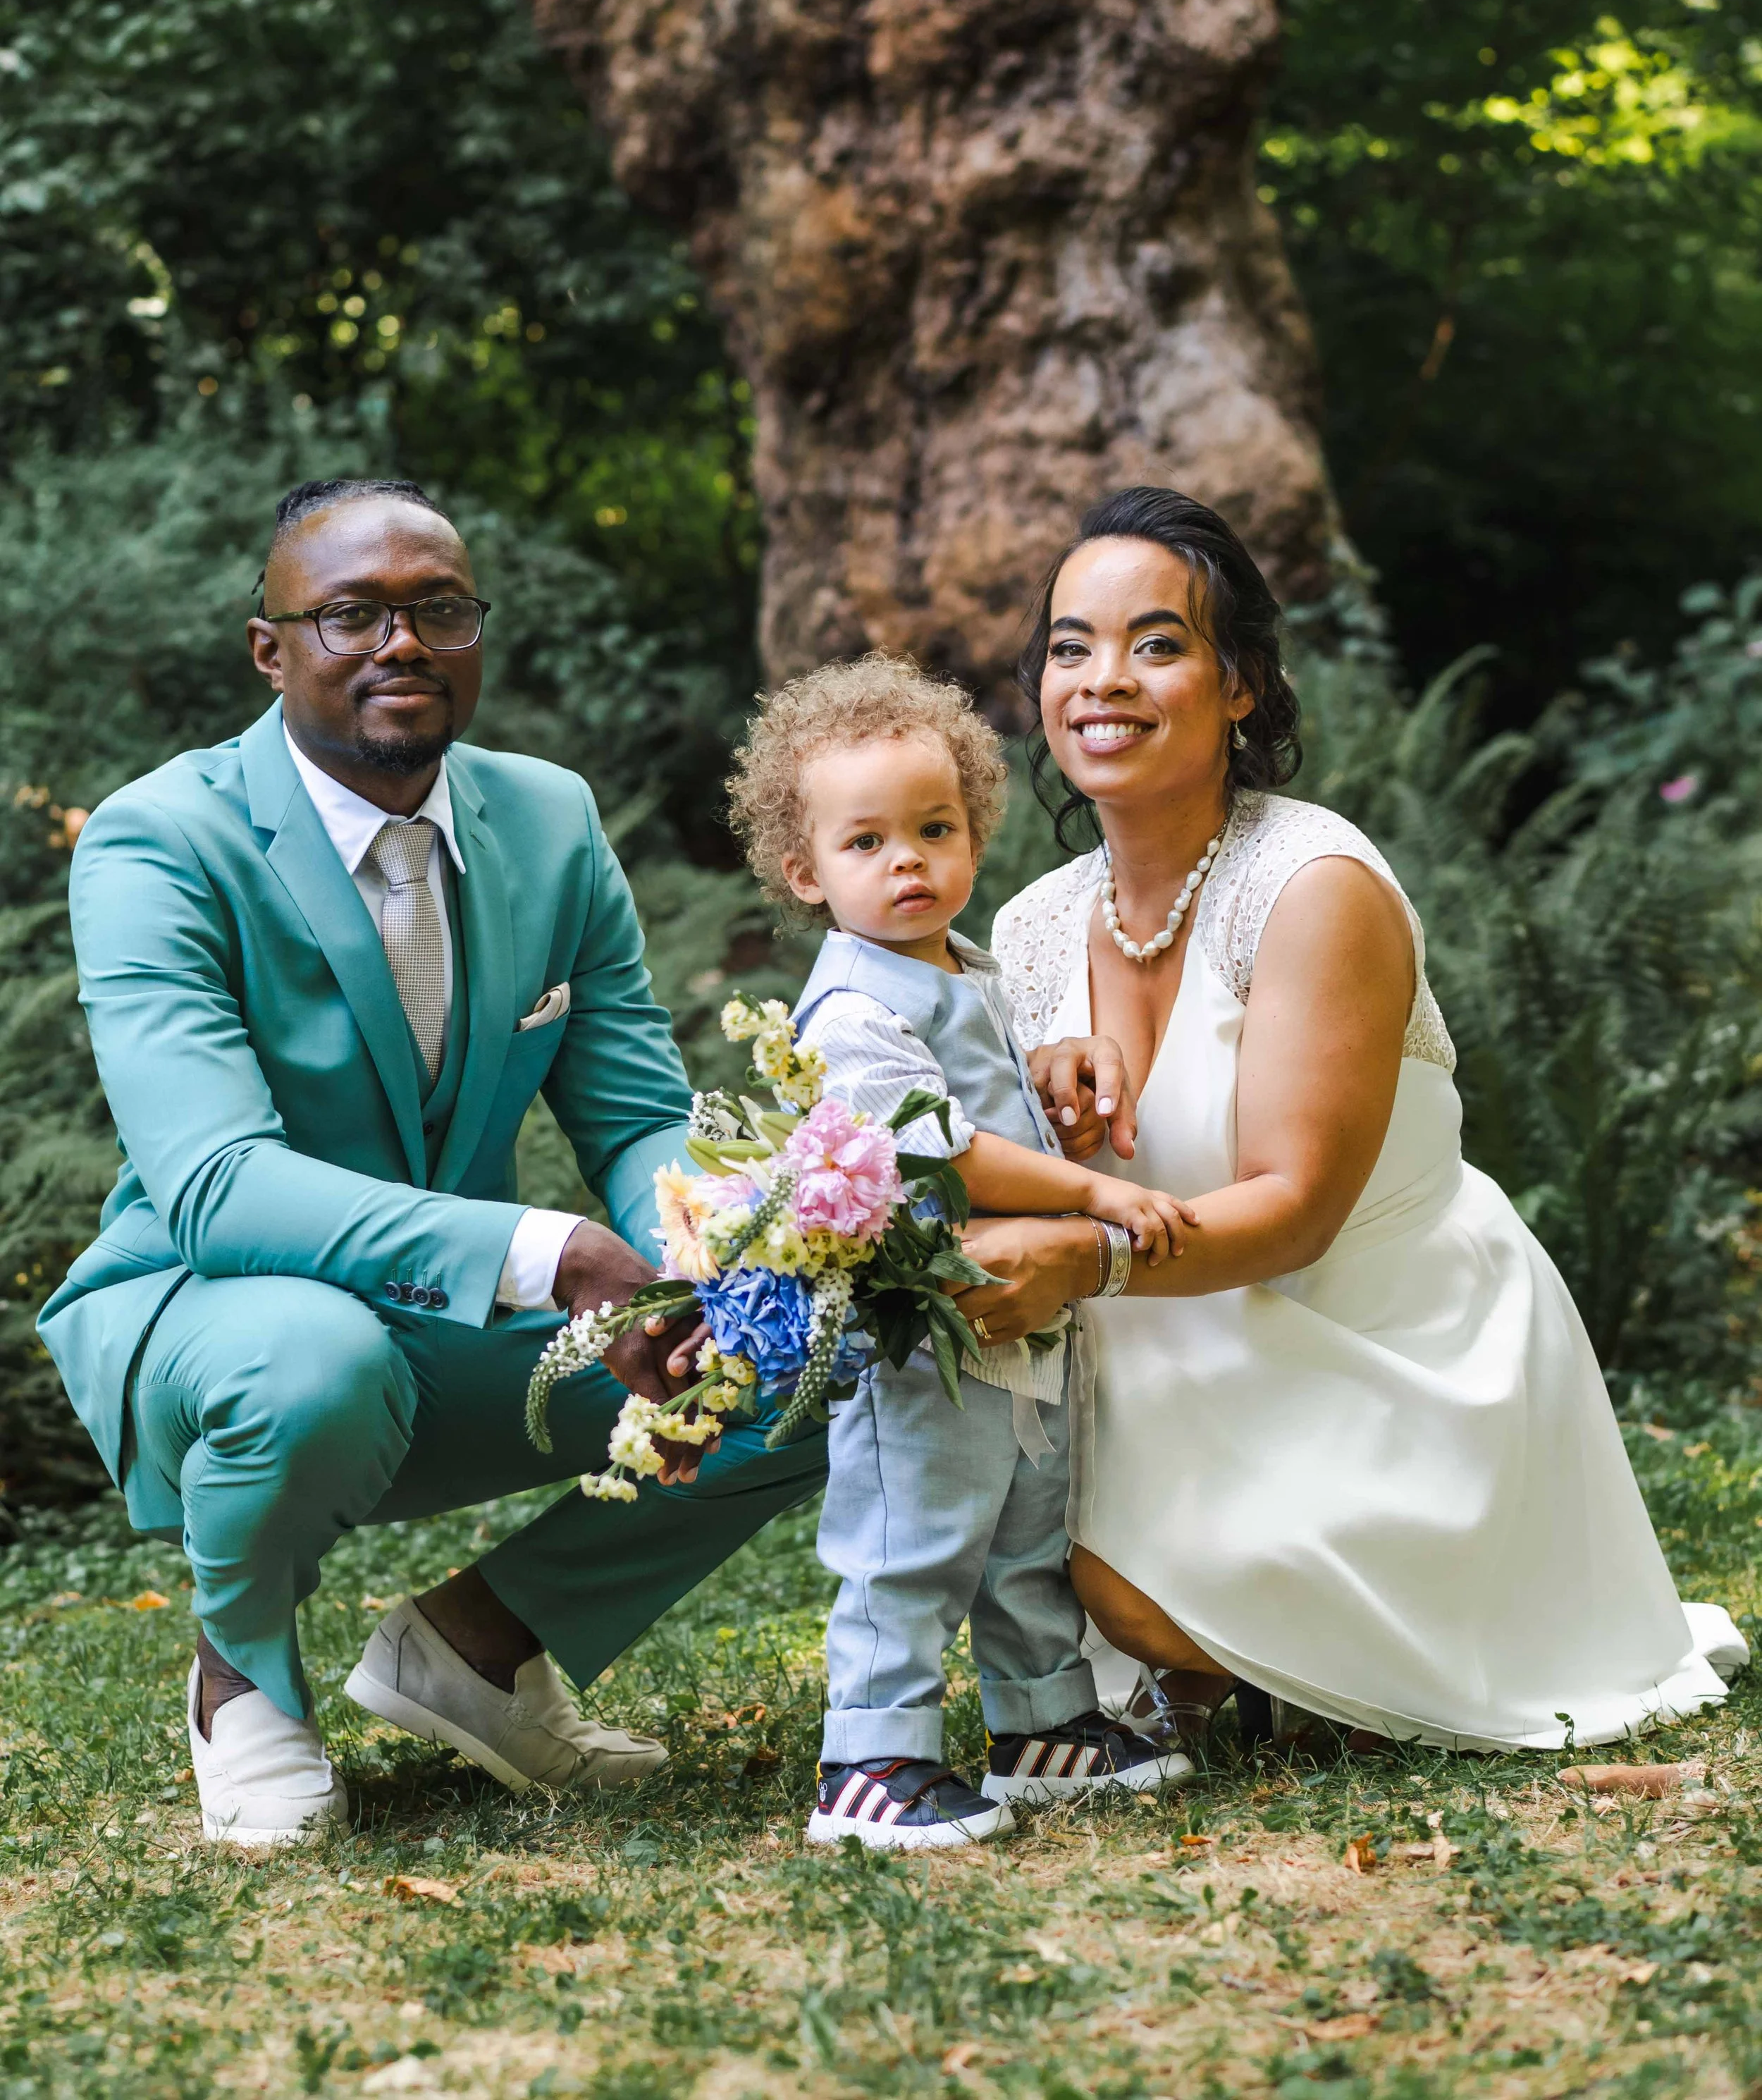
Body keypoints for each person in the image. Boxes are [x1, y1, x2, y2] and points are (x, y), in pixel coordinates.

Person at [39, 477, 825, 1847]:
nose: (401, 643)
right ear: (268, 648)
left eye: (437, 610)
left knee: (812, 1351)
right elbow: (218, 1182)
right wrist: (552, 1255)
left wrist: (706, 1248)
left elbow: (634, 1111)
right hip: (212, 1316)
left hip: (444, 1329)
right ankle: (244, 1679)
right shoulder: (157, 840)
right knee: (313, 1359)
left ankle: (478, 1648)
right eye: (351, 614)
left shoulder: (547, 820)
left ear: (475, 634)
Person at [954, 485, 1746, 1754]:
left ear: (1242, 686)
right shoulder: (1032, 927)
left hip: (1399, 1355)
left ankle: (1315, 1636)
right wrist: (1040, 1105)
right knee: (1021, 1497)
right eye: (1069, 645)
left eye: (1157, 643)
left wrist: (1082, 1251)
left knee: (1099, 1583)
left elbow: (1300, 1210)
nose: (1104, 678)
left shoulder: (1314, 883)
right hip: (1185, 1349)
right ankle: (1242, 1649)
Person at [725, 656, 1190, 1847]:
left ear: (975, 830)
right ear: (805, 872)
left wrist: (1047, 1072)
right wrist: (1088, 1186)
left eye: (935, 828)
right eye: (867, 842)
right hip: (918, 1331)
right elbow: (941, 1145)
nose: (909, 861)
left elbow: (994, 1079)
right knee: (912, 1544)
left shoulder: (967, 967)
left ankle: (1044, 1725)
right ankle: (871, 1761)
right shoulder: (848, 1005)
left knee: (1027, 1525)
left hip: (1012, 1319)